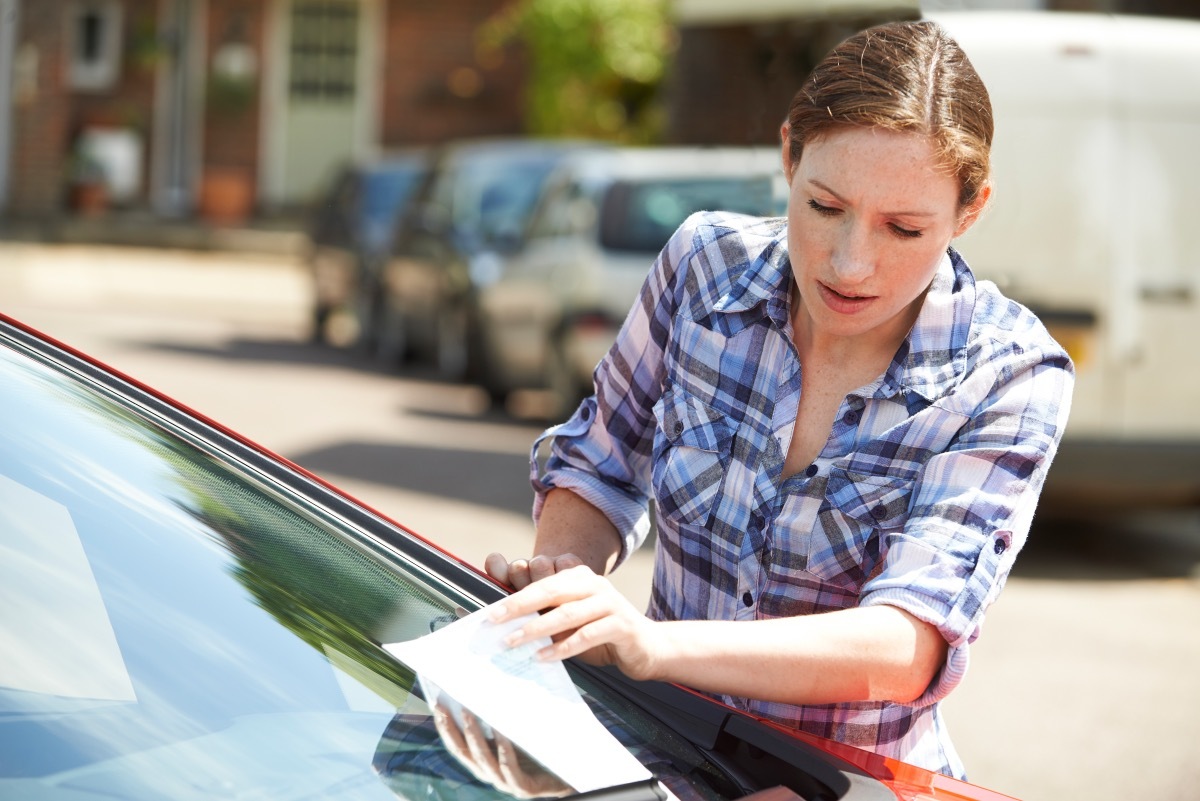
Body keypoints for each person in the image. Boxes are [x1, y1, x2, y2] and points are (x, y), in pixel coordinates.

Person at [484, 19, 1074, 779]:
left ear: (969, 211)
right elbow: (599, 460)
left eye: (903, 227)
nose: (851, 262)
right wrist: (562, 588)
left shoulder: (1012, 372)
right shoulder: (702, 266)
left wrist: (653, 646)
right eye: (825, 206)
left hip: (847, 780)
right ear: (789, 153)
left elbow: (907, 642)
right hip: (661, 748)